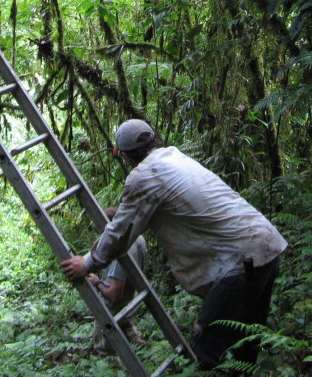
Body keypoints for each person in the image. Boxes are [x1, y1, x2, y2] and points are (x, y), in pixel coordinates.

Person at [60, 120, 287, 370]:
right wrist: (122, 211)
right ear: (154, 140)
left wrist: (87, 263)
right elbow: (165, 205)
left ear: (124, 155)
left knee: (210, 348)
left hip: (239, 263)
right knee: (244, 342)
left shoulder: (144, 177)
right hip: (265, 247)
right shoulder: (175, 158)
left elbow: (120, 234)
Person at [87, 208, 146, 354]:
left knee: (105, 353)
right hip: (130, 305)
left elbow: (114, 294)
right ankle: (133, 338)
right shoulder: (138, 238)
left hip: (114, 314)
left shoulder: (119, 251)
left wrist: (96, 282)